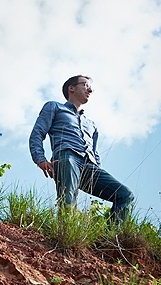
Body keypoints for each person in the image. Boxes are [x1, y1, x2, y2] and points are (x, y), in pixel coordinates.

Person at [29, 75, 133, 223]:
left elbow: (95, 153)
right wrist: (40, 159)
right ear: (71, 88)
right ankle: (66, 237)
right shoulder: (54, 107)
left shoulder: (91, 124)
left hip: (89, 166)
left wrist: (97, 169)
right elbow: (37, 134)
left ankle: (110, 241)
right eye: (85, 85)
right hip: (67, 158)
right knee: (68, 201)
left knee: (125, 195)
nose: (90, 89)